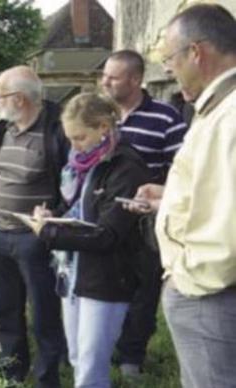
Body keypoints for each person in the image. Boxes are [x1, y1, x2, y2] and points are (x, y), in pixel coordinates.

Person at [26, 93, 149, 388]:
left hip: (107, 279)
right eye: (70, 139)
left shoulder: (126, 166)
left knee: (91, 366)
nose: (74, 146)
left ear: (104, 127)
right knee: (78, 358)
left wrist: (49, 232)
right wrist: (51, 215)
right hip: (73, 272)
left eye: (80, 137)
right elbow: (78, 211)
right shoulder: (81, 164)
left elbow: (108, 234)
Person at [149, 5, 236, 387]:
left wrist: (186, 280)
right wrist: (169, 198)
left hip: (211, 295)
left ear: (196, 53)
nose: (168, 69)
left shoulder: (230, 115)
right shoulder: (217, 108)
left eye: (170, 58)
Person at [0, 66, 67, 387]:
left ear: (20, 99)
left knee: (44, 316)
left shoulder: (57, 132)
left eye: (0, 96)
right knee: (7, 312)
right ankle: (12, 371)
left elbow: (72, 186)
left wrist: (52, 219)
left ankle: (47, 377)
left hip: (34, 240)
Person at [100, 49, 188, 377]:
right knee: (108, 285)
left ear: (135, 80)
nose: (105, 81)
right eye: (104, 75)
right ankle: (105, 345)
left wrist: (154, 196)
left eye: (113, 76)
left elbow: (181, 171)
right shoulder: (101, 114)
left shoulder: (166, 117)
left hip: (146, 221)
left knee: (143, 289)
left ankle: (131, 358)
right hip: (106, 221)